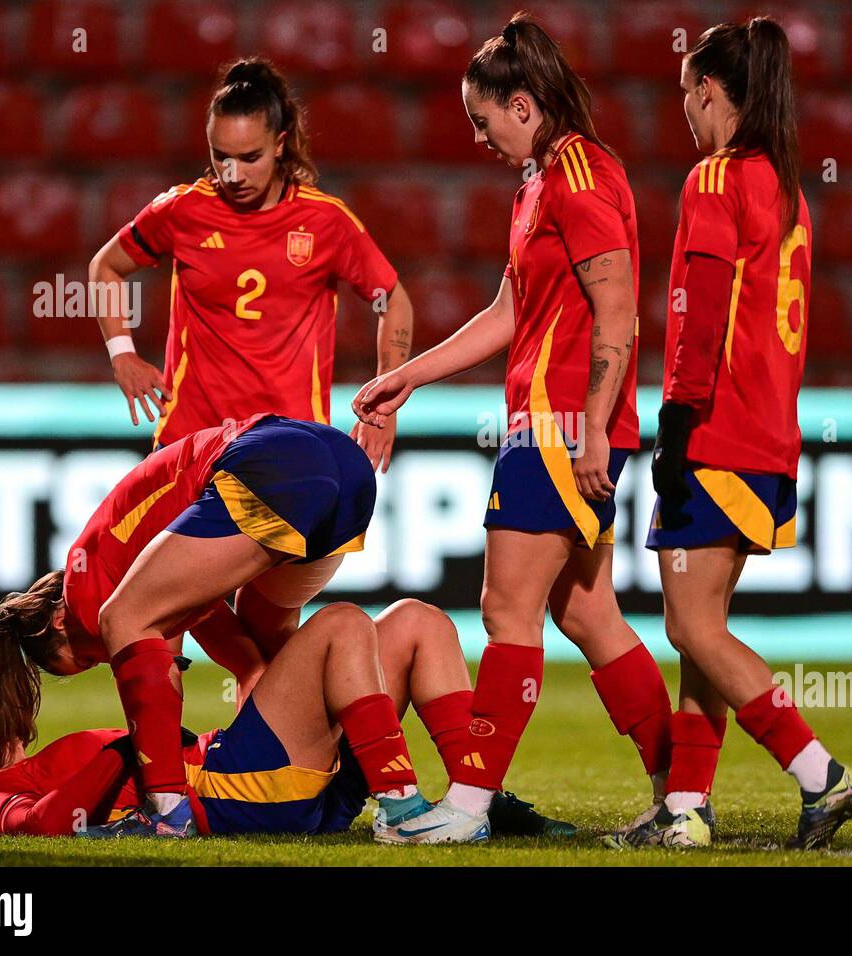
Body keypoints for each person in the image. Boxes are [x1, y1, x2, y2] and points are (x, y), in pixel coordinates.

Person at [352, 13, 673, 842]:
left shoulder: (581, 177)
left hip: (562, 427)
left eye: (483, 118)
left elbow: (618, 310)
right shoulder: (540, 184)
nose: (478, 135)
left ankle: (467, 808)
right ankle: (682, 795)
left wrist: (593, 426)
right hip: (554, 422)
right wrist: (405, 377)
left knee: (505, 611)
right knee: (588, 615)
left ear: (523, 103)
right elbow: (509, 311)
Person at [0, 412, 444, 839]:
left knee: (382, 623)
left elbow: (214, 658)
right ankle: (453, 799)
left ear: (60, 619)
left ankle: (165, 812)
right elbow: (243, 660)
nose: (112, 661)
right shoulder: (2, 796)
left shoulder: (88, 590)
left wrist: (138, 758)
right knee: (386, 624)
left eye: (88, 656)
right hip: (334, 469)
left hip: (269, 463)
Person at [613, 19, 852, 850]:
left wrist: (676, 420)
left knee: (691, 629)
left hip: (716, 432)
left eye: (688, 95)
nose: (684, 111)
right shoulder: (787, 187)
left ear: (711, 93)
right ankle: (687, 810)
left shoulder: (715, 180)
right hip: (767, 437)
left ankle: (819, 774)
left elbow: (699, 310)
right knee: (704, 634)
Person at [0, 600, 564, 843]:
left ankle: (470, 801)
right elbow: (53, 823)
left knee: (420, 622)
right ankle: (401, 810)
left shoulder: (27, 768)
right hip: (234, 790)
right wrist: (141, 747)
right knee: (340, 625)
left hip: (268, 787)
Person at [89, 57, 412, 472]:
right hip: (187, 444)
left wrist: (384, 402)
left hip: (290, 449)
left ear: (279, 144)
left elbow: (393, 300)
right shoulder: (182, 211)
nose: (233, 173)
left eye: (249, 157)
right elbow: (105, 267)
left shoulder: (325, 222)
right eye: (221, 156)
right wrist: (122, 354)